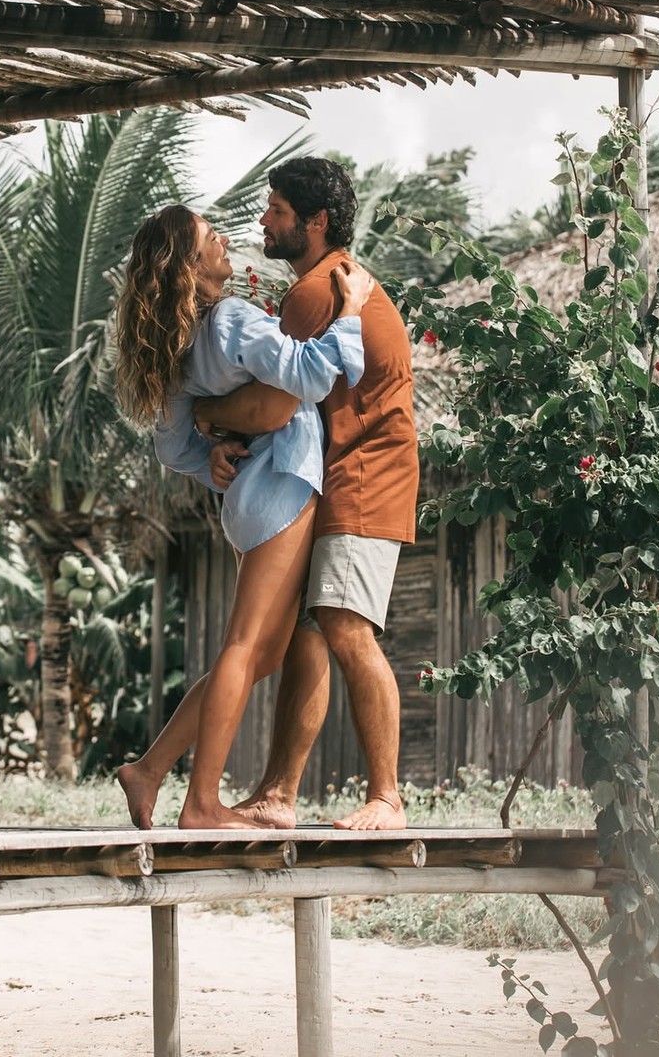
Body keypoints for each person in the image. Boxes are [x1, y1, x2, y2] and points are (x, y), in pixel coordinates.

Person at [114, 203, 375, 829]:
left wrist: (217, 459)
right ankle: (202, 805)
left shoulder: (183, 342)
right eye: (210, 236)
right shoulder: (230, 320)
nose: (226, 238)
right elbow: (310, 377)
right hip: (281, 488)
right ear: (188, 264)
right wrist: (353, 309)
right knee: (244, 647)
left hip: (250, 498)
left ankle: (148, 771)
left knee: (259, 657)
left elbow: (175, 447)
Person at [194, 157, 419, 831]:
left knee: (346, 627)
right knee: (308, 635)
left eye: (278, 211)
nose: (263, 220)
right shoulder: (331, 282)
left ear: (314, 222)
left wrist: (207, 419)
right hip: (347, 470)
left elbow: (272, 404)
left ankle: (387, 796)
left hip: (365, 474)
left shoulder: (317, 291)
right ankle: (279, 792)